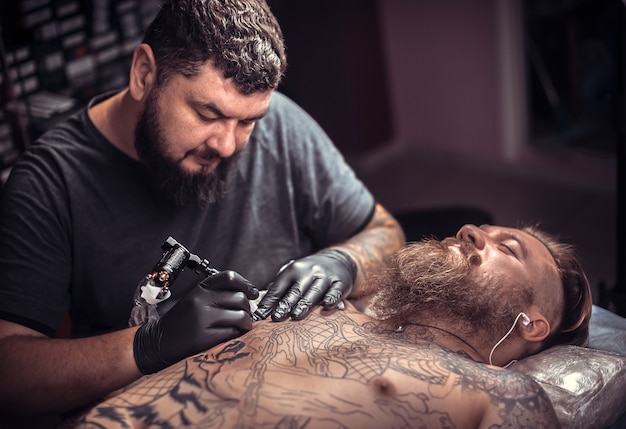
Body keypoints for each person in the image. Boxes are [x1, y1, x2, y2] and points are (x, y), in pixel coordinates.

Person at [0, 0, 405, 420]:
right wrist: (147, 345)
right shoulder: (50, 182)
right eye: (207, 113)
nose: (228, 146)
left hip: (298, 394)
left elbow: (386, 233)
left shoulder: (280, 125)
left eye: (247, 122)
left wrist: (343, 262)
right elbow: (9, 376)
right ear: (144, 75)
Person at [70, 223, 593, 429]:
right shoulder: (317, 307)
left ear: (532, 325)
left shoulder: (503, 393)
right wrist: (149, 343)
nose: (473, 230)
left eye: (508, 249)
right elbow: (382, 233)